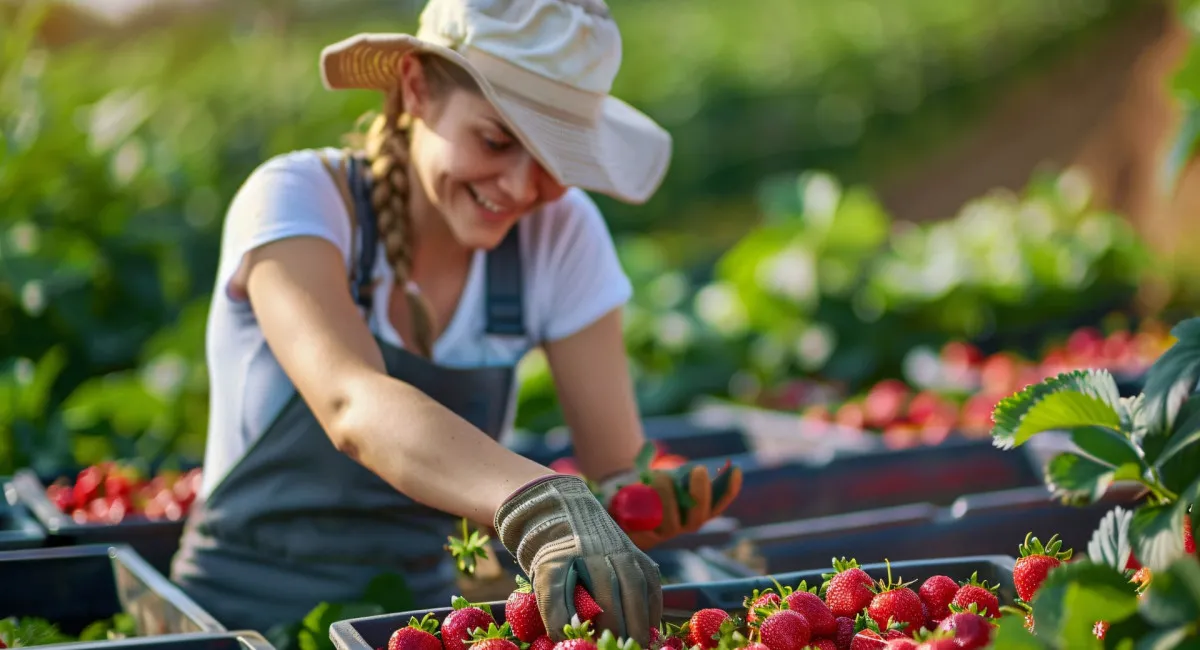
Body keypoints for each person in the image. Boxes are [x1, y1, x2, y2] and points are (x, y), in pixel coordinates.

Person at [169, 0, 743, 641]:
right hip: (232, 617)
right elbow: (352, 403)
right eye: (497, 140)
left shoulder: (560, 235)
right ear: (416, 88)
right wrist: (543, 500)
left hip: (413, 623)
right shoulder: (300, 199)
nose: (523, 188)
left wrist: (633, 501)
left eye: (555, 160)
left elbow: (615, 464)